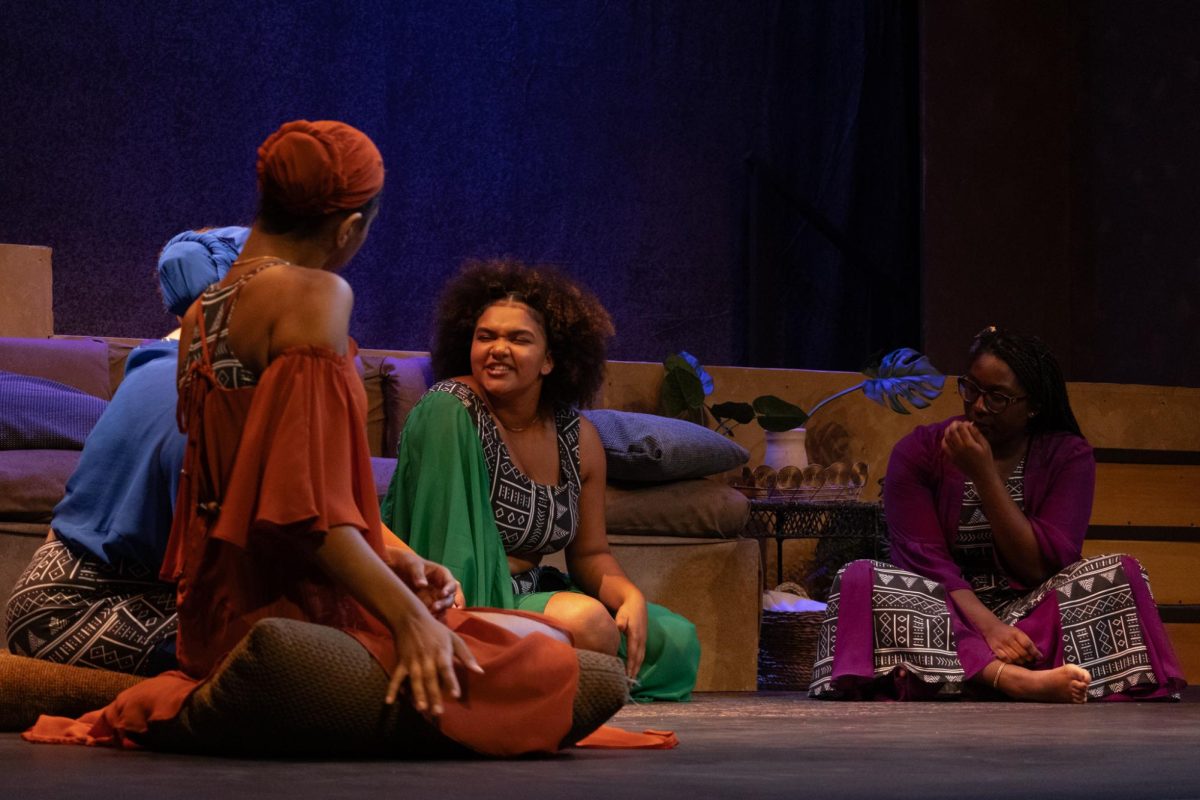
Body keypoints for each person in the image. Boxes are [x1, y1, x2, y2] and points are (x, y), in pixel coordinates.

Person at [26, 120, 604, 756]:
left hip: (216, 613)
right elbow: (305, 512)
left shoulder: (199, 317)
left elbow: (258, 489)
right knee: (560, 665)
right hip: (288, 609)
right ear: (349, 227)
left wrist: (398, 559)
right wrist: (407, 619)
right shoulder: (314, 293)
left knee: (524, 638)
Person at [808, 326, 1185, 703]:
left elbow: (1040, 567)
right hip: (943, 608)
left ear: (1033, 405)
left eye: (998, 397)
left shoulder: (1069, 457)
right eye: (970, 388)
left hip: (1027, 619)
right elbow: (925, 563)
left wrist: (985, 478)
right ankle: (1009, 680)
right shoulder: (919, 452)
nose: (977, 406)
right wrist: (988, 629)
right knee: (859, 578)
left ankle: (951, 676)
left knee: (1123, 573)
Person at [382, 258, 700, 701]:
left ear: (550, 360)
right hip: (459, 597)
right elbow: (442, 539)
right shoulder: (450, 408)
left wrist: (628, 596)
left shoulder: (578, 438)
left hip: (531, 591)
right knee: (590, 623)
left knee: (675, 640)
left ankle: (550, 671)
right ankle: (523, 668)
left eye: (519, 339)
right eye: (485, 336)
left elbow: (589, 553)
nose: (497, 348)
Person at [4, 227, 249, 675]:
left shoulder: (158, 364)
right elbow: (215, 563)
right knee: (276, 647)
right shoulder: (193, 392)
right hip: (70, 610)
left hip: (89, 596)